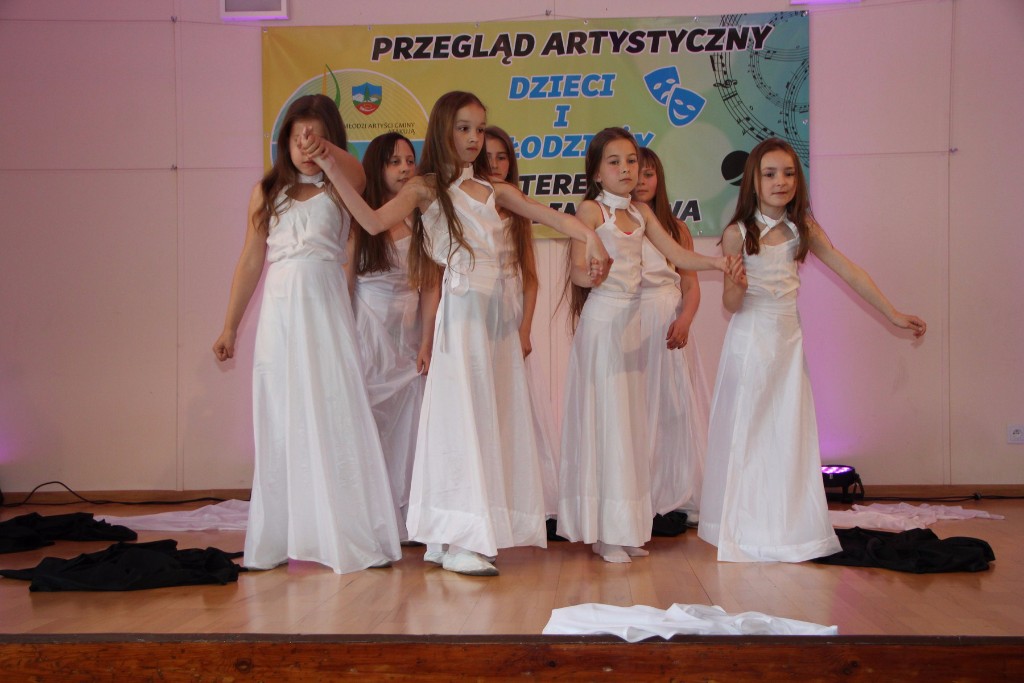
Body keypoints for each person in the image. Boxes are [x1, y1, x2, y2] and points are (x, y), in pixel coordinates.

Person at [301, 91, 611, 576]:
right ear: (444, 130)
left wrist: (589, 234)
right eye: (464, 128)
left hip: (496, 323)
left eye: (480, 129)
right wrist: (331, 167)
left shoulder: (493, 189)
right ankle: (457, 535)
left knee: (490, 420)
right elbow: (371, 220)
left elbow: (546, 214)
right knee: (460, 422)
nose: (474, 138)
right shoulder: (424, 188)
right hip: (462, 318)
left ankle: (457, 534)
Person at [697, 137, 927, 562]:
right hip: (751, 342)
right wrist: (739, 286)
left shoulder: (803, 228)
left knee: (787, 432)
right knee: (749, 431)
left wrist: (892, 313)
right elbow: (730, 303)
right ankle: (745, 526)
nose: (780, 181)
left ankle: (785, 524)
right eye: (770, 174)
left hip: (787, 342)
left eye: (788, 173)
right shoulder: (737, 234)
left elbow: (849, 271)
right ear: (753, 181)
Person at [212, 94, 401, 574]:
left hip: (324, 305)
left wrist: (327, 153)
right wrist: (230, 325)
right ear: (285, 141)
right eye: (298, 137)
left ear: (331, 140)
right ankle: (275, 540)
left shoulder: (343, 184)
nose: (306, 145)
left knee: (334, 408)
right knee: (280, 414)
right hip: (279, 310)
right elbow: (251, 259)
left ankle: (349, 536)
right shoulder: (266, 191)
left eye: (315, 137)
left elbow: (356, 173)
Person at [558, 127, 741, 564]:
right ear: (596, 172)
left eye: (631, 161)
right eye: (615, 162)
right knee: (607, 424)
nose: (626, 169)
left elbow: (677, 255)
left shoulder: (640, 213)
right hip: (603, 327)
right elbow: (578, 270)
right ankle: (604, 532)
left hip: (632, 327)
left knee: (629, 428)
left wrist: (718, 261)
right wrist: (592, 273)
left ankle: (622, 528)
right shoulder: (590, 211)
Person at [349, 132, 440, 542]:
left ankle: (404, 518)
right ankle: (367, 516)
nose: (405, 169)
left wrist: (426, 341)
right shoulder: (362, 220)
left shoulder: (423, 220)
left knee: (408, 427)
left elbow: (431, 286)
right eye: (394, 162)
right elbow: (345, 284)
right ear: (377, 168)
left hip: (409, 334)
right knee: (368, 421)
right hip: (369, 329)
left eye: (409, 160)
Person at [483, 125, 560, 525]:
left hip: (510, 315)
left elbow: (530, 278)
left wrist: (525, 329)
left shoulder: (518, 211)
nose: (495, 164)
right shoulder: (467, 207)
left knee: (518, 408)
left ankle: (529, 501)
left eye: (502, 157)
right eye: (488, 157)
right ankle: (488, 498)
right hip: (475, 315)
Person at [631, 147, 711, 525]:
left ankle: (677, 492)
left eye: (649, 174)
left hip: (668, 324)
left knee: (674, 409)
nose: (641, 181)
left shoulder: (676, 228)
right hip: (631, 323)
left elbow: (691, 286)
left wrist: (685, 320)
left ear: (658, 179)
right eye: (636, 173)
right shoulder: (618, 223)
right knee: (635, 408)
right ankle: (636, 494)